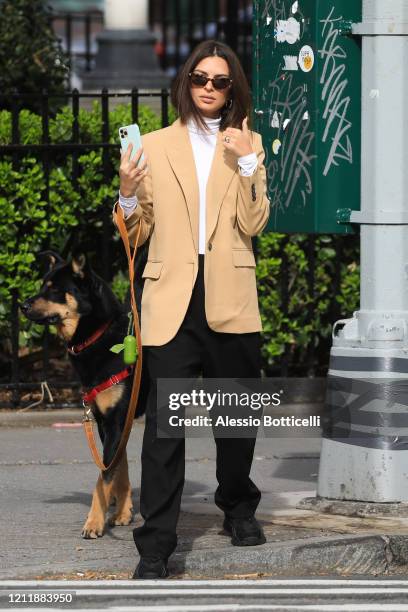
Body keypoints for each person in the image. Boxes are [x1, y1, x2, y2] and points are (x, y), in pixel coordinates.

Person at [113, 39, 270, 579]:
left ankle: (237, 507)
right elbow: (137, 234)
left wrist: (248, 163)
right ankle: (155, 546)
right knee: (164, 429)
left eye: (220, 81)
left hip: (231, 294)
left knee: (236, 419)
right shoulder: (153, 146)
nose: (208, 87)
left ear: (232, 89)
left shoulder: (247, 144)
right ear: (185, 82)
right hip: (172, 297)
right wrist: (128, 194)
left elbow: (254, 224)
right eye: (200, 78)